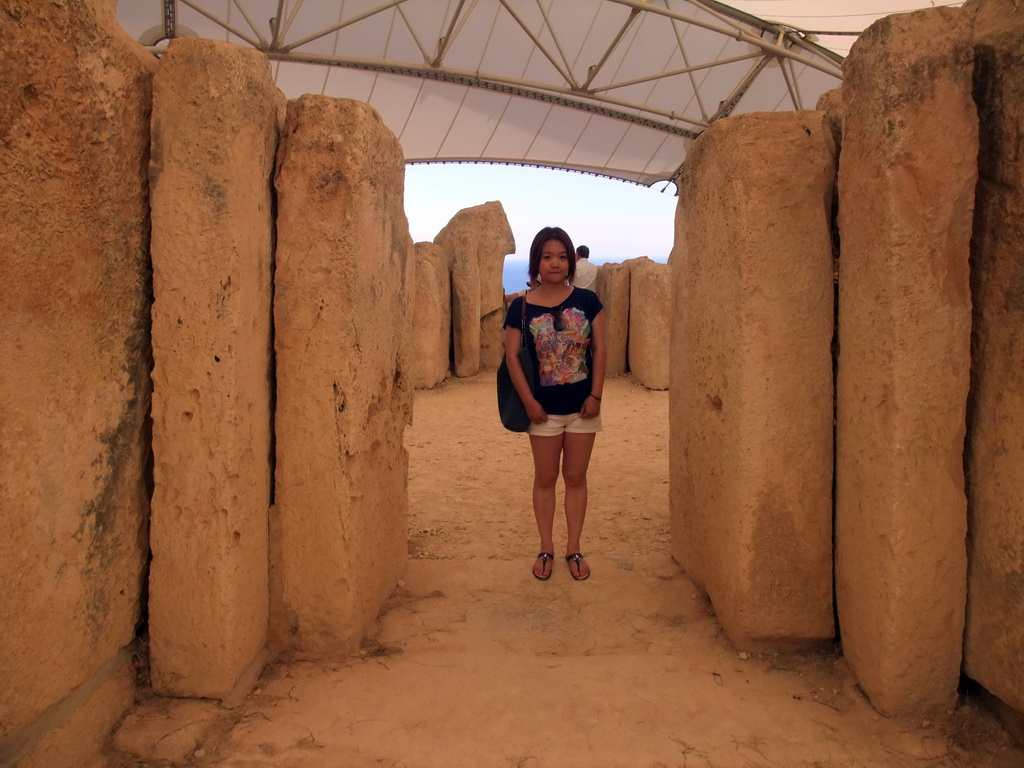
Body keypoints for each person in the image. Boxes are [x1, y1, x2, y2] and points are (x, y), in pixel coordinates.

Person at [504, 227, 607, 582]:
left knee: (576, 478)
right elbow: (513, 358)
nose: (555, 263)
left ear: (571, 261)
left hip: (582, 409)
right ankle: (546, 546)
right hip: (542, 410)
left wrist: (595, 396)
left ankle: (573, 547)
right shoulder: (521, 306)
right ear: (536, 262)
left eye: (562, 256)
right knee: (546, 478)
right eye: (547, 257)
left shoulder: (588, 302)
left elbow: (600, 349)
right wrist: (529, 401)